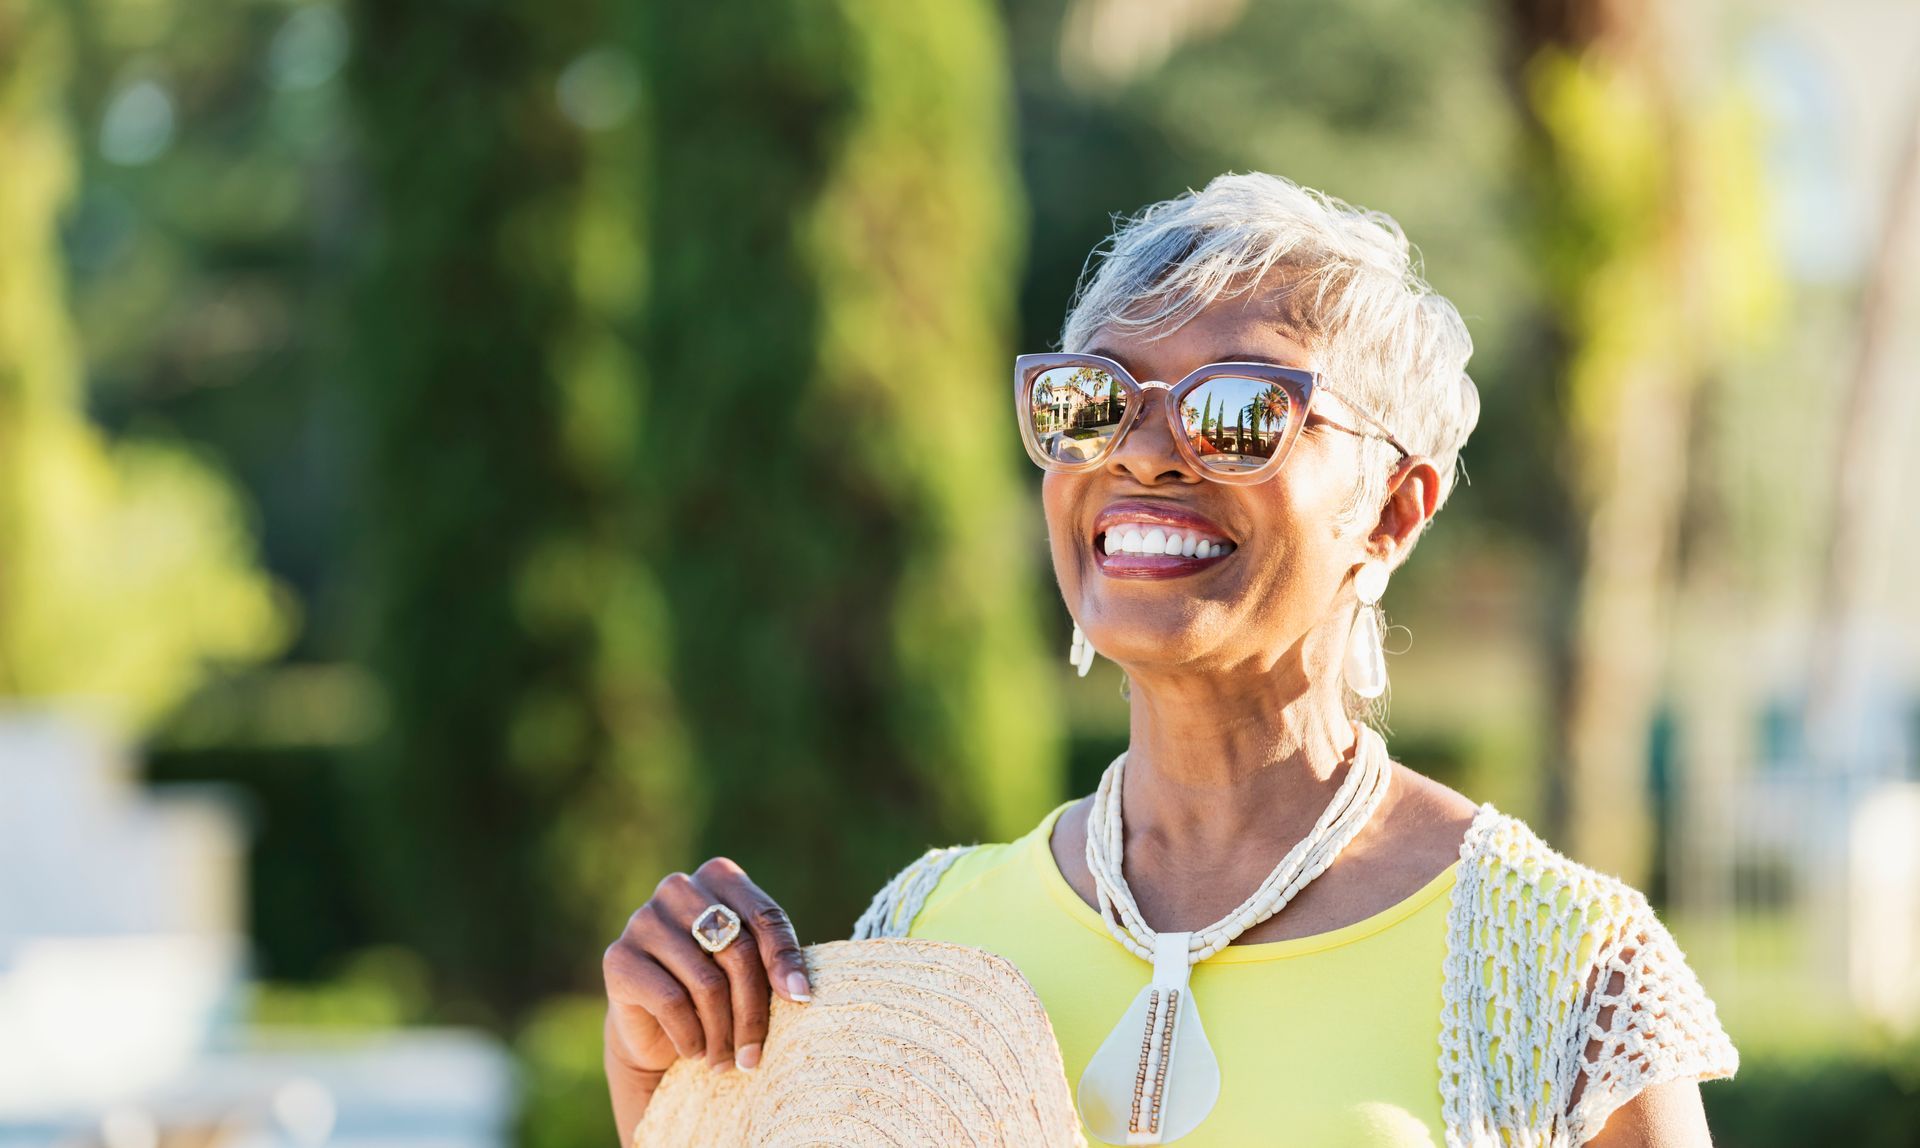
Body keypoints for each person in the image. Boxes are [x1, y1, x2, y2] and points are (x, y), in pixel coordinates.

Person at [602, 172, 1738, 1146]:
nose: (1143, 454)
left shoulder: (1563, 963)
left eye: (1239, 411)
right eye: (1095, 401)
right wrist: (663, 1068)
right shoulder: (926, 936)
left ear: (1393, 509)